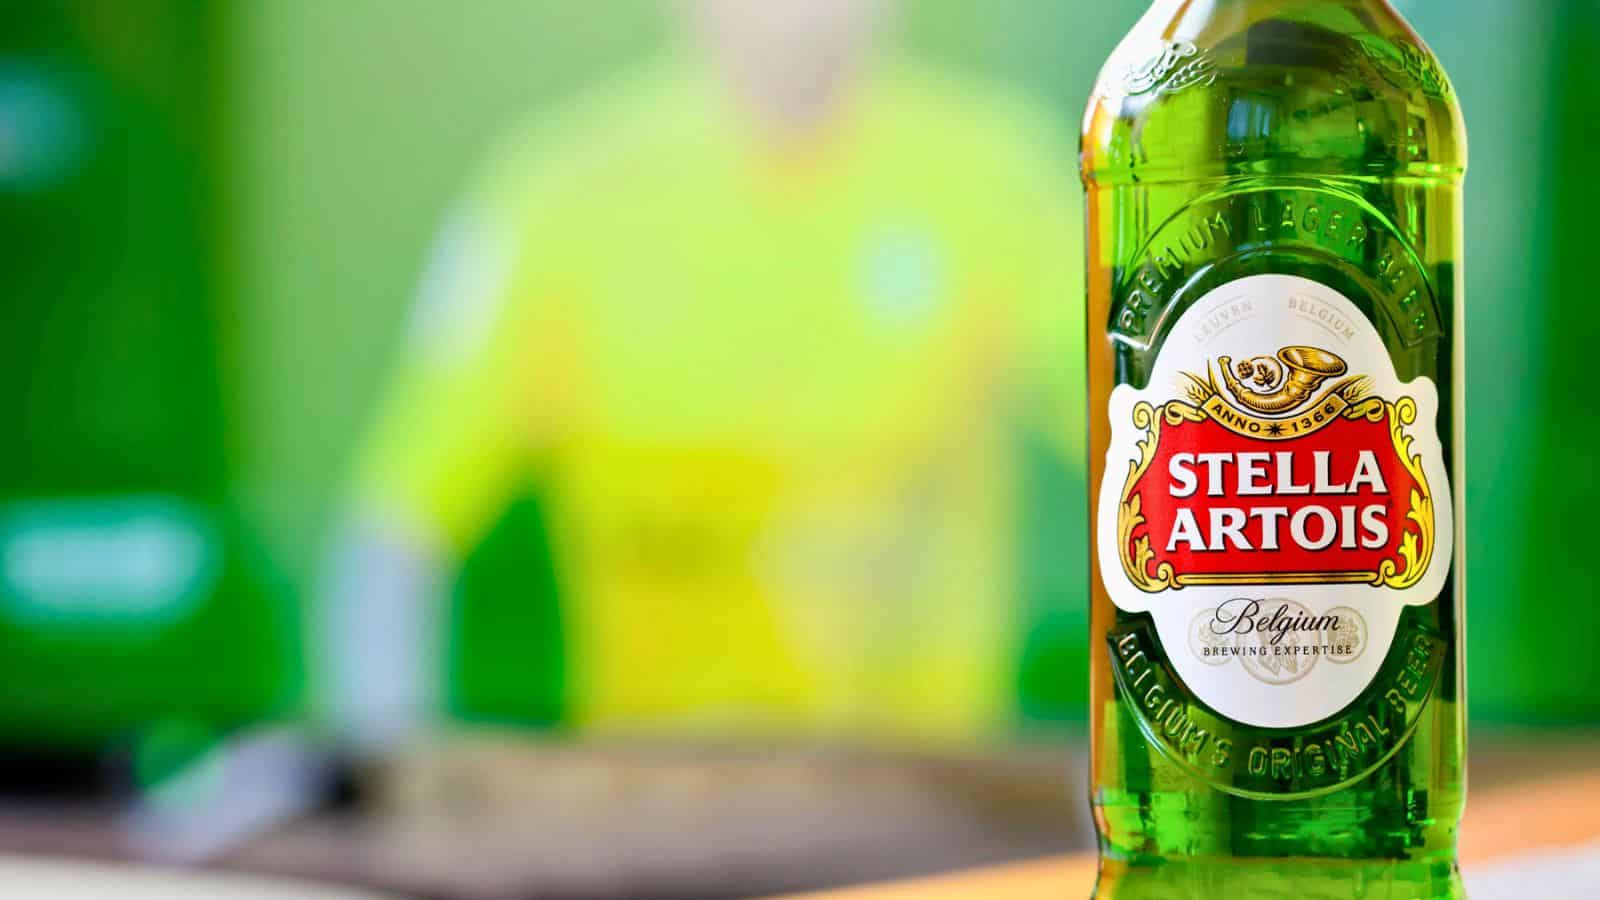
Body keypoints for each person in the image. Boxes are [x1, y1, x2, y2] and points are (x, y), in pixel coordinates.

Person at [319, 0, 1084, 750]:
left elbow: (1145, 443)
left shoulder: (998, 175)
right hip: (652, 810)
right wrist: (389, 785)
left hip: (919, 811)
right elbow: (398, 525)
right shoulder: (561, 192)